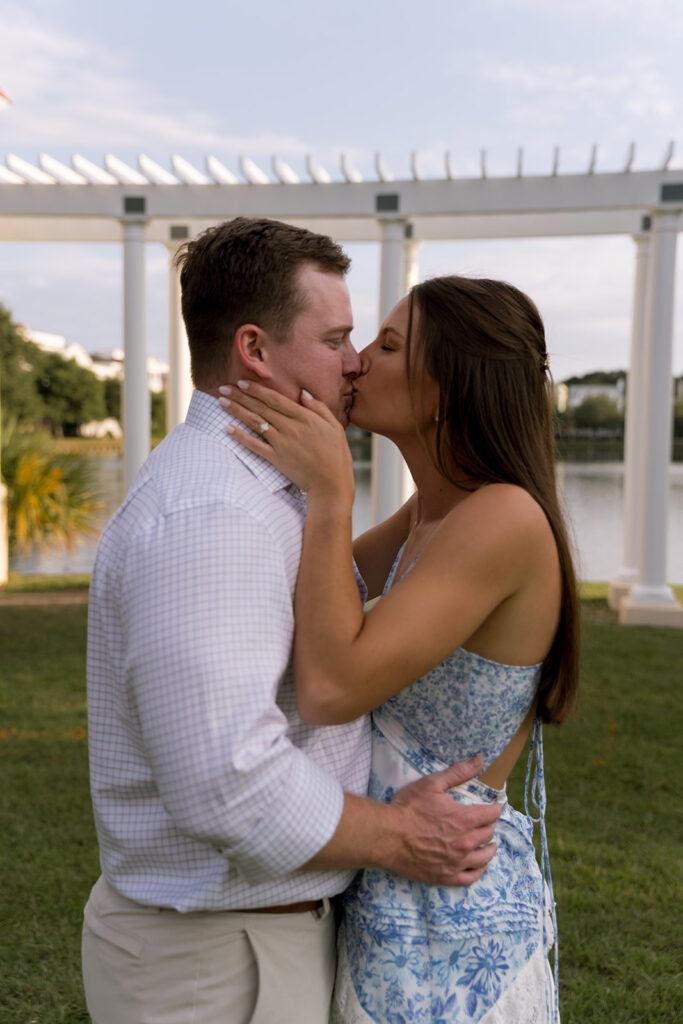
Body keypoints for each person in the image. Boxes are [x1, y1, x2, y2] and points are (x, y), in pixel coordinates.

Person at [82, 219, 502, 1024]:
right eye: (337, 336)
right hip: (214, 967)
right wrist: (403, 838)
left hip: (242, 946)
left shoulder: (263, 493)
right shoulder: (213, 515)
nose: (353, 362)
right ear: (255, 350)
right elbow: (227, 785)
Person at [221, 273, 580, 1023]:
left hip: (453, 930)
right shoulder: (435, 512)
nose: (355, 362)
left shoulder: (502, 518)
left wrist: (330, 494)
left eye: (385, 346)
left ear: (449, 384)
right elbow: (315, 602)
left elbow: (331, 684)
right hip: (400, 900)